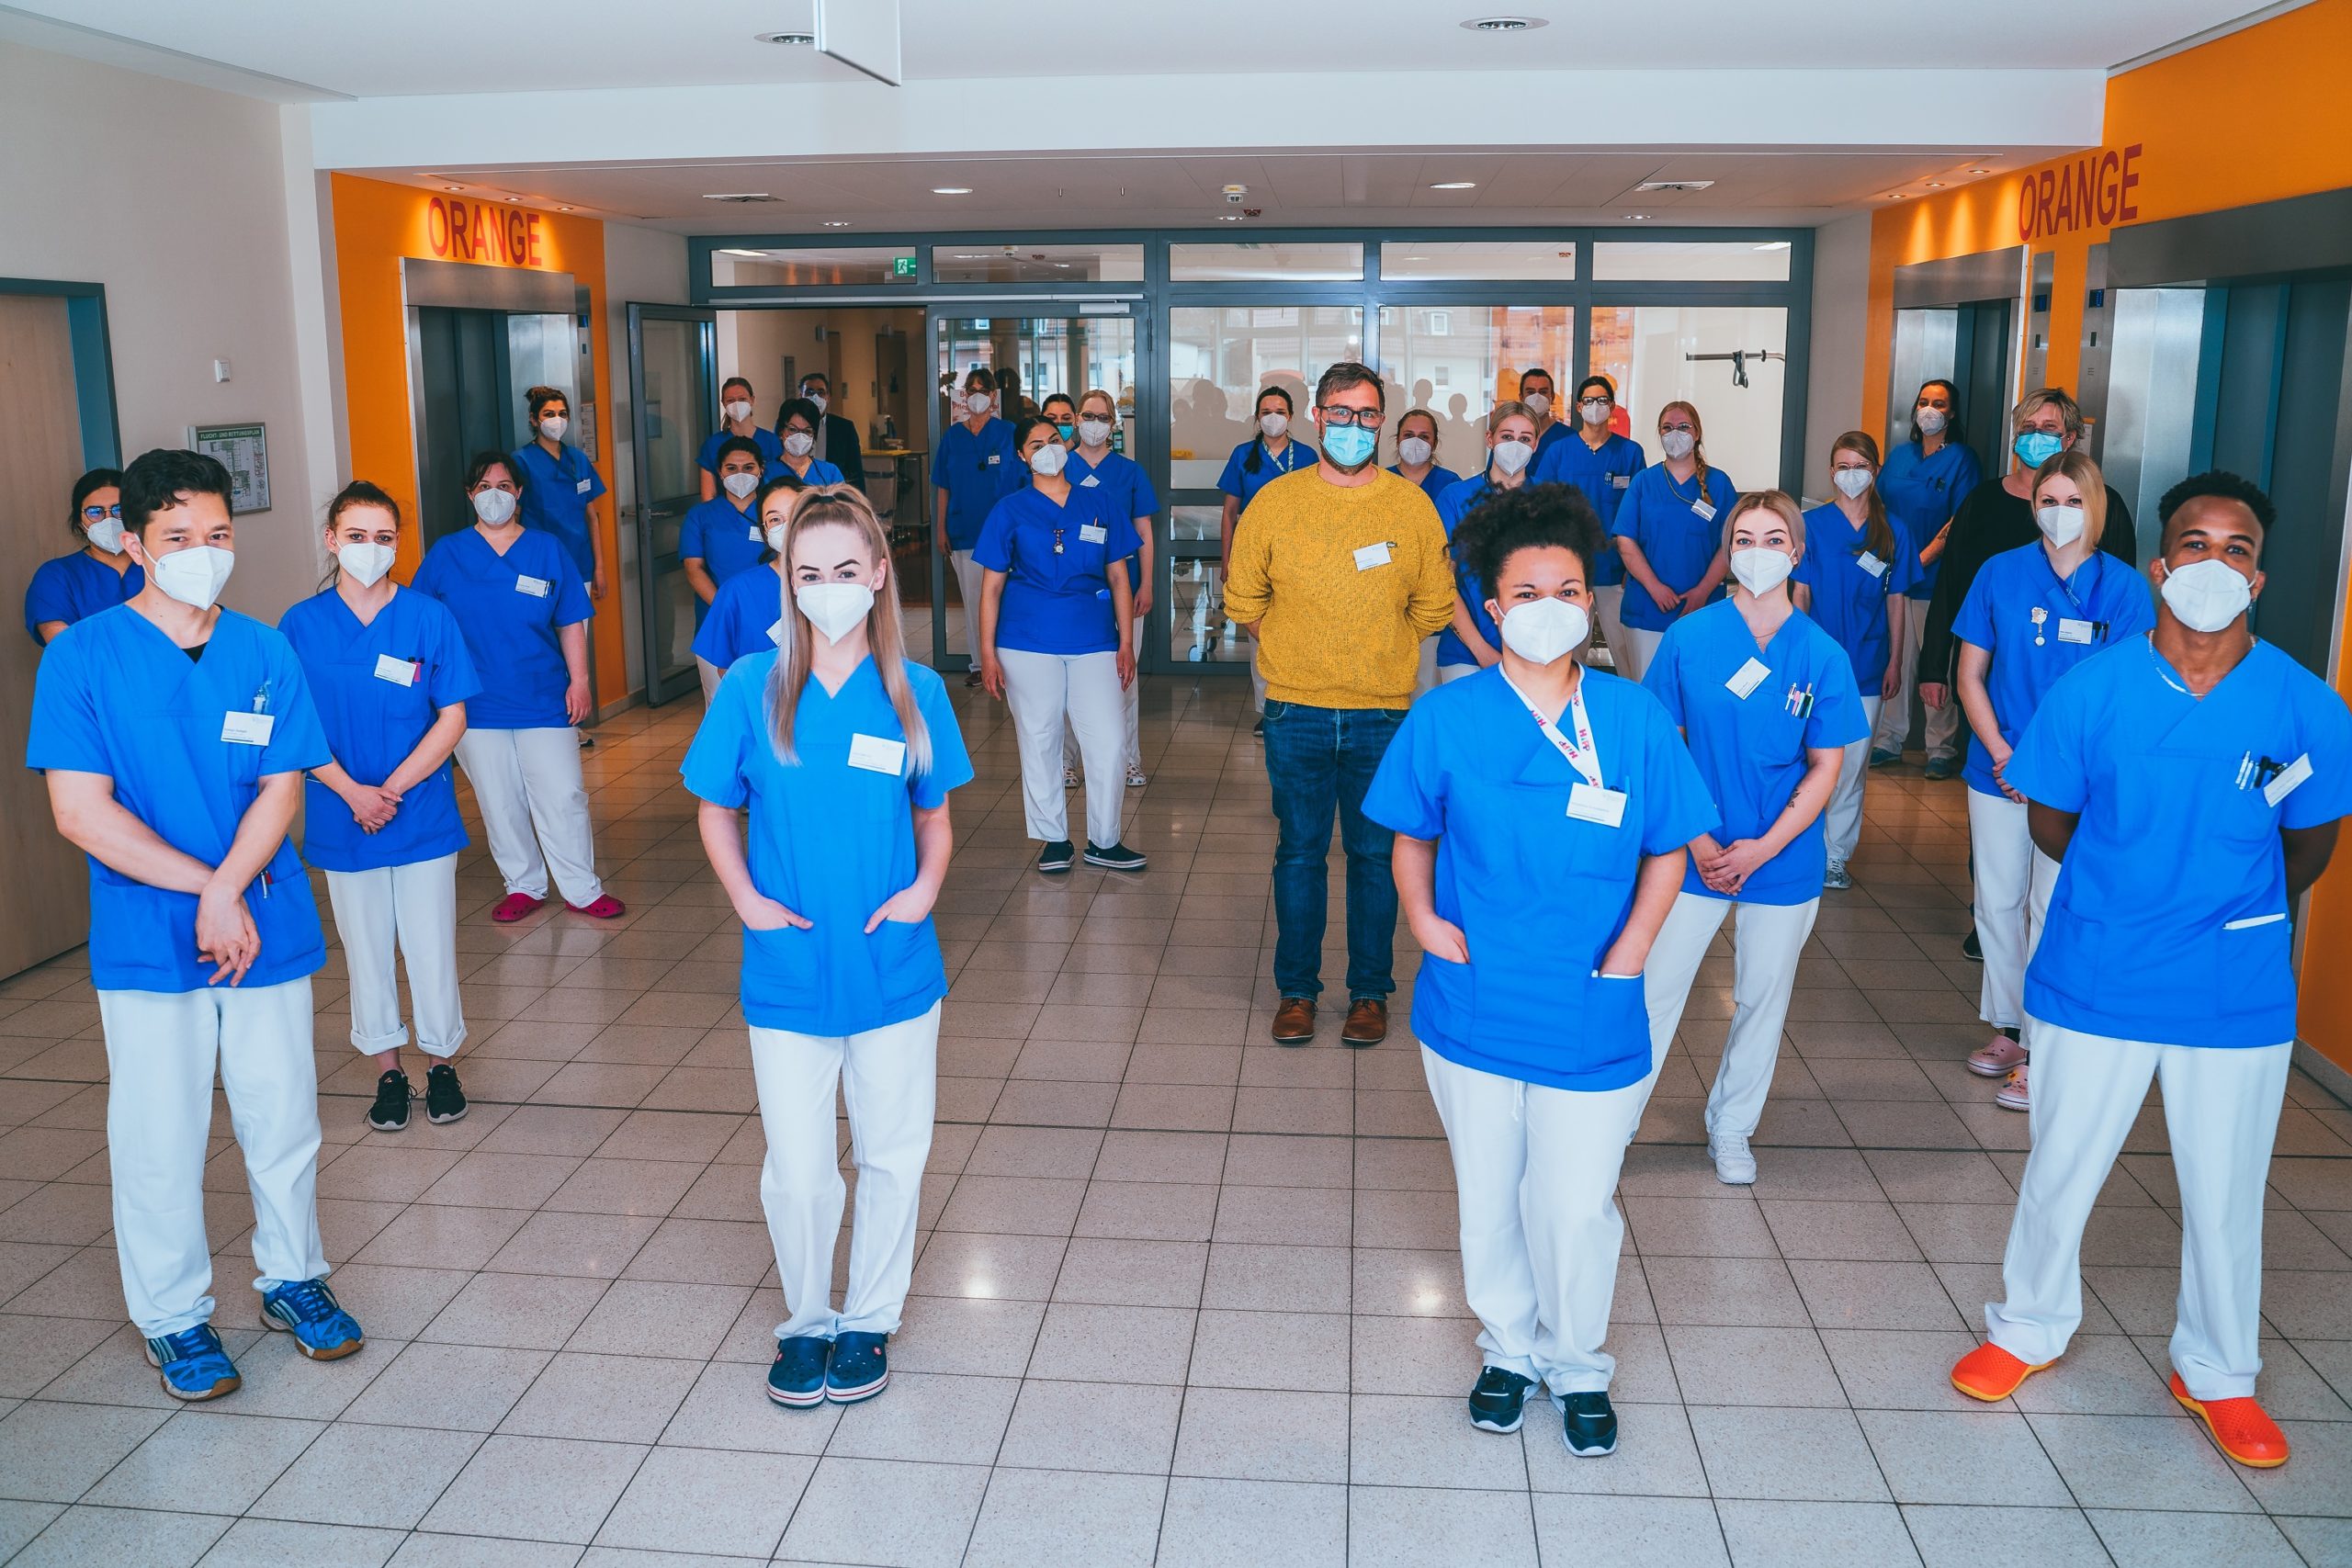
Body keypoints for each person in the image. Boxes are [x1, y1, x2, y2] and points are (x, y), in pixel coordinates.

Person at [1949, 471, 2348, 1473]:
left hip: (2234, 988)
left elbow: (2309, 848)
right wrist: (2131, 889)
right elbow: (2051, 822)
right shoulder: (2095, 689)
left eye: (2238, 548)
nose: (2214, 563)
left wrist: (2220, 902)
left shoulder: (2303, 706)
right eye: (2195, 544)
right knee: (2061, 1169)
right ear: (2159, 565)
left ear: (2258, 576)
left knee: (2225, 1192)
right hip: (2098, 973)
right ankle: (2026, 1327)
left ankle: (2217, 1372)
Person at [1365, 482, 1716, 1457]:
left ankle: (1577, 1361)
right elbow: (1409, 834)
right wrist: (1423, 919)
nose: (1548, 605)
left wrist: (1635, 948)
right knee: (1488, 1191)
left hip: (1593, 997)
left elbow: (1669, 847)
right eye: (1525, 592)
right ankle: (1508, 1351)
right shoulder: (1447, 716)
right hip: (1474, 995)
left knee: (1573, 1199)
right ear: (1490, 605)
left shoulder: (1630, 715)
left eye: (1566, 586)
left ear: (1589, 599)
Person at [28, 447, 365, 1403]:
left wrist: (229, 892)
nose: (201, 553)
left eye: (217, 535)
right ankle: (174, 1318)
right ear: (132, 542)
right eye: (177, 537)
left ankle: (293, 1278)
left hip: (264, 921)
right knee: (159, 1130)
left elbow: (282, 784)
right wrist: (209, 892)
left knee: (282, 1116)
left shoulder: (264, 649)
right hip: (148, 934)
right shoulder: (82, 655)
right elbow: (80, 813)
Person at [682, 484, 973, 1411]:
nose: (829, 586)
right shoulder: (748, 688)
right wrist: (746, 903)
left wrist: (925, 890)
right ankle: (806, 1320)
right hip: (789, 962)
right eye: (809, 572)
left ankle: (870, 1320)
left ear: (879, 574)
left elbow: (935, 816)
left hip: (892, 960)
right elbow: (712, 808)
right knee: (800, 1168)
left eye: (847, 569)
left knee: (891, 1152)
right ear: (786, 580)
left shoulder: (914, 691)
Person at [1224, 362, 1455, 1047]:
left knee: (1373, 855)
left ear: (1381, 421)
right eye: (1341, 413)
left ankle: (1368, 992)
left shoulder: (1411, 508)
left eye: (1367, 415)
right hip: (1294, 710)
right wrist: (1302, 646)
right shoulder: (1276, 500)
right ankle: (1297, 990)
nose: (1354, 427)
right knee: (1298, 853)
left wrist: (1376, 647)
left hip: (1382, 714)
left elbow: (1434, 604)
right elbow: (1243, 598)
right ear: (1317, 417)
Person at [1639, 491, 1864, 1183]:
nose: (1757, 551)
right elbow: (1661, 744)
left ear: (1797, 553)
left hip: (1783, 853)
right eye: (1744, 538)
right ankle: (1610, 1119)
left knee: (1764, 996)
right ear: (1727, 551)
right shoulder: (1690, 638)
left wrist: (1763, 848)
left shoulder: (1821, 654)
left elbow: (1829, 766)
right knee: (1654, 989)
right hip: (1693, 847)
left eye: (1773, 539)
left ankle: (1732, 1126)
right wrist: (1701, 838)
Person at [1951, 449, 2154, 1111]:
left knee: (2052, 909)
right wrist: (2004, 753)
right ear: (2031, 503)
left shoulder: (2123, 589)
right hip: (1998, 768)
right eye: (2048, 499)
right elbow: (1970, 673)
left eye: (2073, 500)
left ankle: (2044, 1048)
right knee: (1997, 905)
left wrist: (2052, 771)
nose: (2058, 512)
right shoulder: (1999, 573)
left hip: (2075, 785)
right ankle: (2009, 1029)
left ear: (2094, 508)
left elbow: (2124, 696)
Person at [280, 481, 481, 1133]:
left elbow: (452, 715)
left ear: (399, 542)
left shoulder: (428, 617)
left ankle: (441, 1062)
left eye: (384, 536)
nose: (371, 548)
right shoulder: (300, 626)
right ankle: (388, 1071)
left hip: (418, 810)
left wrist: (388, 789)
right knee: (364, 947)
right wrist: (352, 791)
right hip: (342, 812)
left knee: (430, 945)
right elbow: (293, 725)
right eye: (357, 535)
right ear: (332, 539)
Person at [413, 453, 624, 923]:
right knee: (498, 798)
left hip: (543, 694)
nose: (495, 494)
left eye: (505, 486)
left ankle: (582, 888)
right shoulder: (447, 554)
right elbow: (421, 625)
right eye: (485, 485)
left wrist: (581, 680)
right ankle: (523, 884)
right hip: (472, 702)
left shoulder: (547, 550)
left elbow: (571, 619)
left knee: (563, 793)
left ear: (519, 493)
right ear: (470, 495)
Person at [1917, 387, 2134, 782]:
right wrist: (1934, 666)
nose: (2036, 435)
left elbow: (2120, 601)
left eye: (2048, 428)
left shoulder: (2106, 506)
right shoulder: (1982, 502)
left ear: (2069, 438)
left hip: (2073, 678)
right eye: (2028, 427)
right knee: (1991, 786)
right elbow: (1950, 585)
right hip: (1987, 672)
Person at [976, 417, 1146, 874]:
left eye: (1054, 440)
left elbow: (1118, 575)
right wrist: (987, 653)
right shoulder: (1008, 510)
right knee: (1040, 736)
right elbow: (990, 588)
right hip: (1026, 640)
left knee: (1108, 741)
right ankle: (1054, 838)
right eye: (1037, 444)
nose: (1049, 449)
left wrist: (1126, 641)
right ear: (1021, 456)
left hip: (1094, 638)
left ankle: (1104, 840)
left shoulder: (1100, 503)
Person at [1792, 433, 1922, 891]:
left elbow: (1897, 600)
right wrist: (1795, 655)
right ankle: (1797, 846)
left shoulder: (1894, 531)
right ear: (1831, 472)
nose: (1851, 473)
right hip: (1816, 664)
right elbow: (1800, 594)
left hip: (1868, 665)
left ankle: (1835, 855)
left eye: (1860, 464)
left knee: (1850, 768)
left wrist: (1896, 662)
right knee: (1805, 759)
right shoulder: (1810, 525)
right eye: (1842, 465)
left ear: (1875, 470)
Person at [1871, 380, 1980, 770]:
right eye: (1923, 402)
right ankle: (1889, 739)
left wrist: (1918, 560)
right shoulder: (1900, 456)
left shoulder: (1962, 459)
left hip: (1934, 582)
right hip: (1893, 581)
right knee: (1895, 659)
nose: (1929, 409)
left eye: (1939, 404)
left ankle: (1941, 749)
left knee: (1935, 663)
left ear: (1951, 413)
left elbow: (1960, 520)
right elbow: (1876, 507)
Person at [1065, 387, 1157, 789]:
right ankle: (1067, 762)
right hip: (1072, 591)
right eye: (1089, 416)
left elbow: (1144, 533)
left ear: (1114, 424)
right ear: (1075, 420)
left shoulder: (1129, 472)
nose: (1095, 424)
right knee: (1069, 681)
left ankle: (1128, 761)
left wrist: (1148, 583)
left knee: (1124, 679)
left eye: (1103, 418)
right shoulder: (1059, 466)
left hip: (1125, 589)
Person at [1611, 401, 1737, 682]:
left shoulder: (1718, 484)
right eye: (1667, 428)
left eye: (1683, 427)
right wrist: (1655, 588)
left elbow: (1731, 544)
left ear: (1697, 433)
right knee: (1650, 696)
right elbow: (1625, 541)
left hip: (1702, 610)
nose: (1675, 434)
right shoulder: (1644, 482)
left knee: (1697, 695)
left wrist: (1703, 592)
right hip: (1647, 610)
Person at [1218, 385, 1317, 728]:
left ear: (1291, 416)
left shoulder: (1307, 456)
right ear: (1257, 418)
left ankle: (1298, 703)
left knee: (1297, 627)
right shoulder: (1243, 454)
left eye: (1279, 411)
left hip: (1297, 553)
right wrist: (1227, 561)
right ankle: (1266, 710)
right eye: (1266, 412)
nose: (1273, 418)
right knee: (1258, 633)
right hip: (1252, 552)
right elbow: (1230, 512)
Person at [1532, 376, 1644, 671]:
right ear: (1579, 406)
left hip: (1614, 571)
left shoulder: (1630, 453)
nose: (1596, 407)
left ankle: (1629, 714)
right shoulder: (1559, 452)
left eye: (1602, 400)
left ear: (1613, 406)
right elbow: (1543, 511)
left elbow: (1638, 514)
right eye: (1590, 401)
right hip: (1570, 571)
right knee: (1569, 653)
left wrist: (1632, 569)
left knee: (1626, 654)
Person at [1431, 402, 1539, 681]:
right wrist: (1482, 651)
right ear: (1490, 439)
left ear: (1536, 445)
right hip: (1467, 654)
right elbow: (1443, 581)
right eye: (1506, 436)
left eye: (1525, 439)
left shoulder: (1551, 502)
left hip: (1536, 653)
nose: (1515, 445)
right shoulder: (1455, 498)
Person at [933, 367, 1017, 682]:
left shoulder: (1008, 432)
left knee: (1005, 598)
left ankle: (1006, 662)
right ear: (964, 396)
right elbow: (943, 485)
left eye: (984, 390)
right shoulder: (953, 436)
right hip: (964, 530)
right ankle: (980, 665)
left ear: (994, 396)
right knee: (973, 601)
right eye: (972, 390)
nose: (977, 395)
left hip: (1003, 534)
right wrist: (941, 528)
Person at [682, 436, 775, 702]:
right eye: (731, 468)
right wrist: (728, 606)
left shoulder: (773, 512)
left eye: (748, 467)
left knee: (772, 702)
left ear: (761, 469)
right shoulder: (700, 516)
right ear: (719, 472)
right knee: (722, 704)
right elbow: (694, 568)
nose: (740, 474)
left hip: (772, 618)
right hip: (717, 618)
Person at [693, 478, 802, 677]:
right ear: (765, 530)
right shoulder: (738, 591)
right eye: (775, 519)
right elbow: (726, 670)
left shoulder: (839, 585)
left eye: (796, 514)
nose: (787, 525)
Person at [509, 386, 609, 604]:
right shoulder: (521, 461)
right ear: (534, 420)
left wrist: (599, 568)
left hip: (579, 563)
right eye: (549, 414)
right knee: (542, 633)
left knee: (577, 633)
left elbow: (591, 517)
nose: (557, 420)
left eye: (562, 414)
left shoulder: (578, 460)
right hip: (538, 564)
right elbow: (513, 519)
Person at [26, 468, 141, 646]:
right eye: (95, 512)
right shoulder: (56, 576)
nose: (109, 519)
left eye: (119, 509)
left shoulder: (159, 565)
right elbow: (65, 649)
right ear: (80, 522)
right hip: (94, 674)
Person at [697, 376, 786, 501]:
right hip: (724, 513)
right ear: (723, 403)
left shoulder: (771, 441)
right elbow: (708, 496)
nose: (737, 404)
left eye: (742, 399)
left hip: (763, 511)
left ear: (752, 400)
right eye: (731, 400)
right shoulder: (712, 445)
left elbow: (780, 486)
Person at [796, 370, 865, 491]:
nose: (815, 397)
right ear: (801, 395)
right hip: (798, 492)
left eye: (821, 392)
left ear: (828, 397)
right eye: (810, 392)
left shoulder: (844, 428)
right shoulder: (789, 426)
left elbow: (855, 471)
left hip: (833, 494)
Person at [1388, 407, 1464, 501]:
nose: (1415, 441)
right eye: (1408, 435)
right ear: (1398, 441)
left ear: (1434, 444)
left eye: (1424, 437)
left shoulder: (1450, 483)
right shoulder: (1381, 481)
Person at [775, 397, 846, 491]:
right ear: (781, 432)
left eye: (807, 431)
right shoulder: (766, 473)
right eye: (793, 429)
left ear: (814, 436)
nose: (800, 436)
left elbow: (842, 503)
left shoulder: (830, 472)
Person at [1517, 367, 1567, 467]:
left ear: (1552, 397)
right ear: (1521, 397)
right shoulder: (1508, 436)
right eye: (1530, 392)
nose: (1536, 397)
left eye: (1543, 392)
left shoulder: (1567, 437)